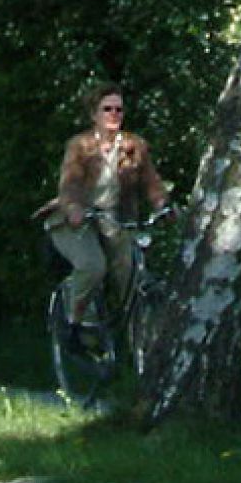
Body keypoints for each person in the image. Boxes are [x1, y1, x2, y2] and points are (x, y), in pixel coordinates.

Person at [43, 85, 169, 337]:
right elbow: (70, 184)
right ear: (94, 114)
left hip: (114, 221)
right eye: (107, 109)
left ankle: (142, 340)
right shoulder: (80, 146)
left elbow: (151, 182)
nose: (114, 114)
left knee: (132, 275)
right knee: (92, 266)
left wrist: (162, 205)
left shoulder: (134, 146)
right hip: (77, 221)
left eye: (118, 109)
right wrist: (73, 208)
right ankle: (74, 322)